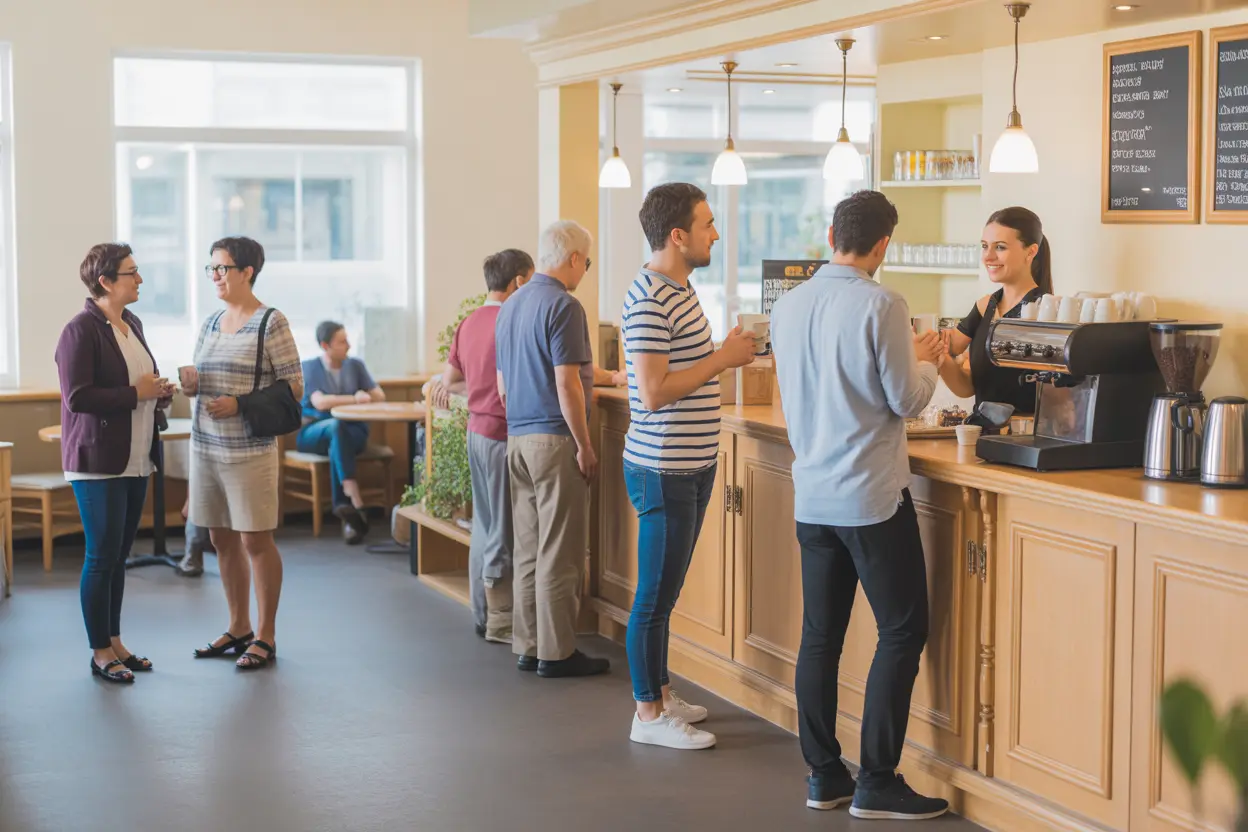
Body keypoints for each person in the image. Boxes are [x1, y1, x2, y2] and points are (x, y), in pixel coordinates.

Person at [771, 190, 950, 820]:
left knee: (821, 636)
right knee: (902, 630)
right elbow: (905, 399)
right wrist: (927, 362)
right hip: (870, 498)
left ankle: (824, 775)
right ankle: (877, 780)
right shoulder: (883, 303)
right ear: (882, 245)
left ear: (830, 235)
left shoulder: (788, 305)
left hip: (813, 493)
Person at [621, 183, 756, 750]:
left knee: (666, 593)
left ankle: (660, 689)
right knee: (653, 596)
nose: (716, 234)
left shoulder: (680, 289)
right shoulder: (653, 296)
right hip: (664, 468)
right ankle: (648, 715)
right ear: (678, 235)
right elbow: (652, 392)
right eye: (707, 224)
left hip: (691, 464)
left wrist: (717, 354)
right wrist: (723, 359)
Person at [55, 243, 174, 683]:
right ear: (105, 281)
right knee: (101, 557)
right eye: (131, 273)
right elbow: (78, 397)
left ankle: (116, 641)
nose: (139, 280)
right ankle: (99, 650)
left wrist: (157, 391)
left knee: (120, 556)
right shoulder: (80, 330)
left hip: (136, 456)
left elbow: (138, 383)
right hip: (98, 462)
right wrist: (136, 394)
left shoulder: (132, 323)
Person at [183, 236, 303, 670]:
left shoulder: (271, 322)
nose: (215, 276)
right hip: (206, 448)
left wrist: (241, 403)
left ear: (247, 272)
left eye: (222, 268)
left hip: (249, 450)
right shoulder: (211, 322)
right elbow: (206, 378)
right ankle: (238, 626)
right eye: (211, 269)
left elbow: (294, 387)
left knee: (255, 539)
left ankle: (266, 635)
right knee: (220, 538)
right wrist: (194, 385)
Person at [495, 221, 608, 679]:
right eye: (588, 262)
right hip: (553, 439)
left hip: (516, 439)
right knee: (560, 552)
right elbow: (567, 382)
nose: (586, 270)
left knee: (528, 549)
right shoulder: (564, 305)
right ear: (575, 258)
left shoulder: (510, 306)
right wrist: (584, 444)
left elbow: (503, 386)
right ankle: (558, 654)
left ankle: (529, 645)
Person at [426, 249, 532, 644]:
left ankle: (481, 611)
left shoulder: (468, 322)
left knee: (486, 524)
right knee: (504, 528)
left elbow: (449, 380)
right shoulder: (513, 320)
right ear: (519, 281)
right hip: (503, 435)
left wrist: (480, 396)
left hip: (477, 432)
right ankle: (501, 620)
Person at [940, 207, 1053, 416]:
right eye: (984, 246)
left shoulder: (1043, 311)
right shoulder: (985, 307)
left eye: (1000, 247)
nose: (988, 257)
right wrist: (940, 357)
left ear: (1031, 251)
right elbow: (967, 387)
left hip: (1024, 438)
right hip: (981, 433)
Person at [297, 321, 385, 544]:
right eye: (342, 341)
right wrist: (355, 397)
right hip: (314, 433)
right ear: (325, 345)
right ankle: (352, 494)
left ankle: (346, 508)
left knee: (339, 441)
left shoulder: (355, 365)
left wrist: (364, 395)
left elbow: (379, 395)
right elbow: (320, 403)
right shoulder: (310, 367)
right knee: (337, 428)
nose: (348, 345)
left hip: (353, 434)